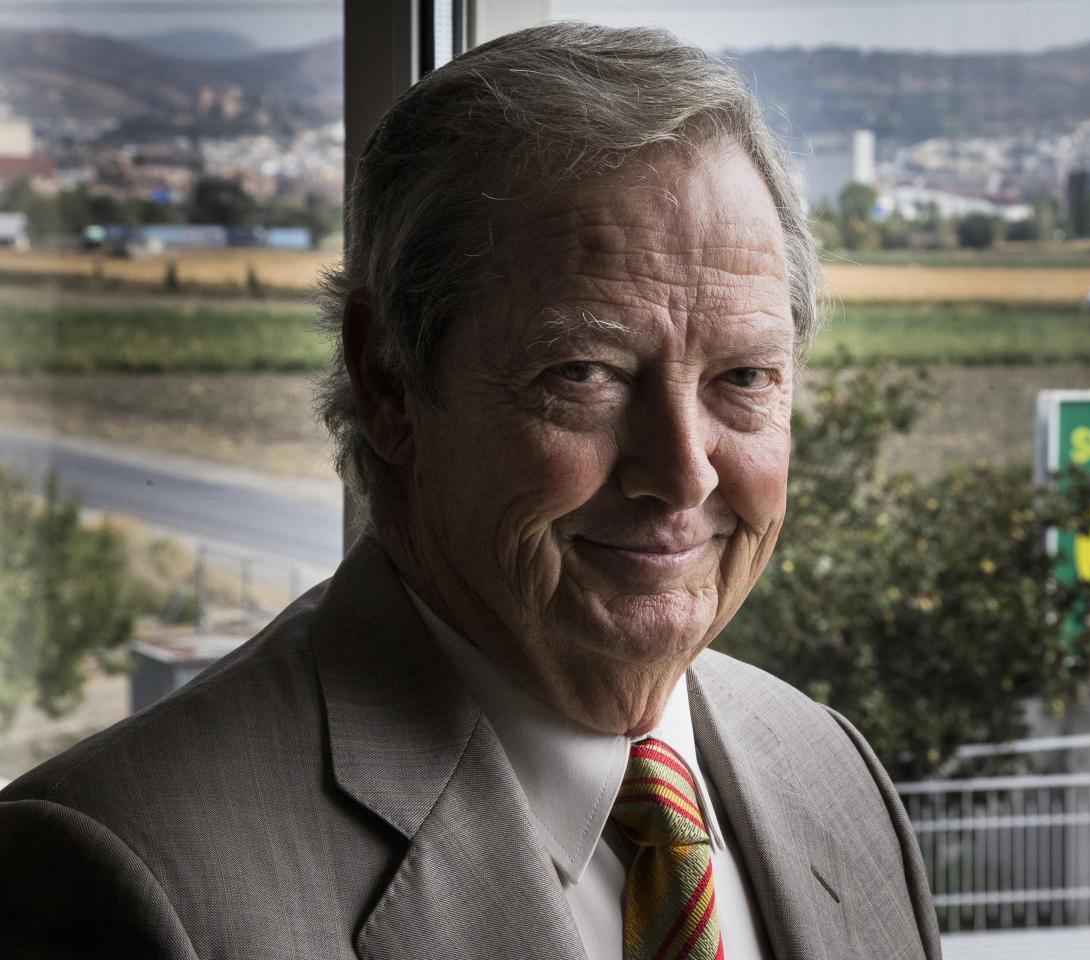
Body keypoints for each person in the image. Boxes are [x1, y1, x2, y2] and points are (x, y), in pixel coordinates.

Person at [0, 21, 940, 960]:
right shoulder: (118, 873)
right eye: (586, 373)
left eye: (743, 378)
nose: (686, 470)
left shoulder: (836, 779)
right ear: (389, 383)